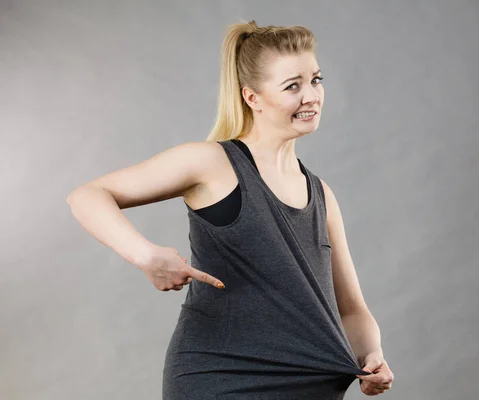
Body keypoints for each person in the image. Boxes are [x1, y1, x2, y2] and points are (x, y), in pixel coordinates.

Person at [67, 20, 393, 399]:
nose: (311, 96)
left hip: (312, 384)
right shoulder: (212, 162)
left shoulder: (322, 194)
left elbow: (351, 309)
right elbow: (87, 196)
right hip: (219, 377)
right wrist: (146, 256)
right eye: (293, 86)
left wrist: (372, 356)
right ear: (252, 97)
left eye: (316, 80)